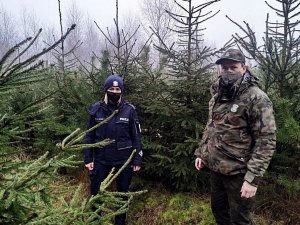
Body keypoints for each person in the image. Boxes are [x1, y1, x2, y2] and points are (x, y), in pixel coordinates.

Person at [194, 49, 276, 225]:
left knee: (240, 219)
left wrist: (252, 179)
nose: (228, 71)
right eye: (224, 68)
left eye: (233, 67)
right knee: (219, 213)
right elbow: (212, 126)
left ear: (244, 68)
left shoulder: (256, 97)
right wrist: (202, 153)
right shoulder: (218, 93)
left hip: (238, 172)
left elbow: (266, 140)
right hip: (216, 169)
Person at [83, 74, 143, 225]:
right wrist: (88, 158)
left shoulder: (129, 110)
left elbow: (136, 137)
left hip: (124, 160)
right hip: (101, 159)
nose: (115, 92)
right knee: (96, 192)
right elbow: (89, 135)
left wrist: (137, 158)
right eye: (111, 89)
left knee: (122, 194)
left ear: (121, 91)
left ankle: (120, 222)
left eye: (117, 89)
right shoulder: (96, 109)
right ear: (106, 90)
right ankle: (95, 221)